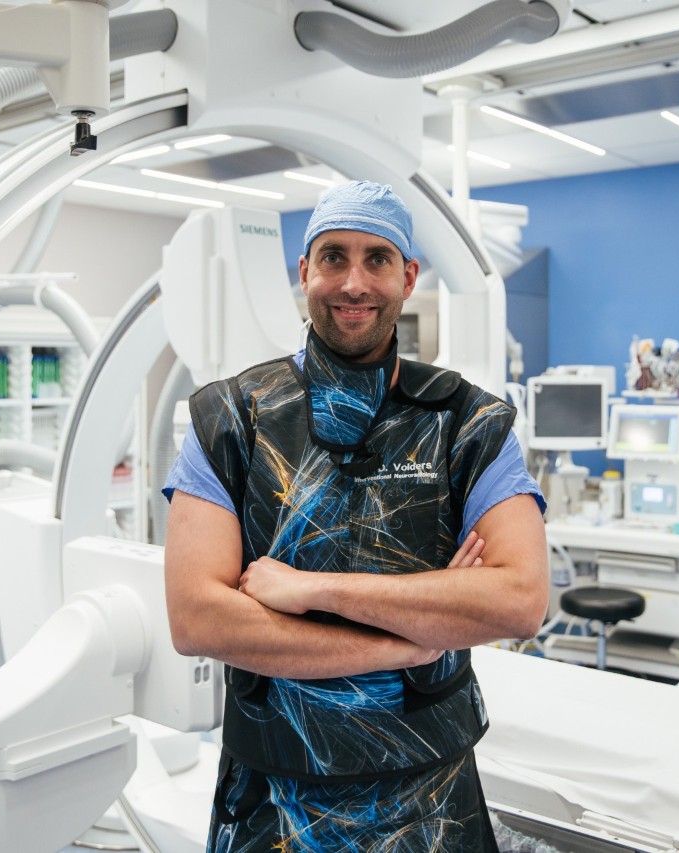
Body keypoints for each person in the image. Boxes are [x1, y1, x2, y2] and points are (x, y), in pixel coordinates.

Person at [163, 180, 549, 852]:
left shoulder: (467, 423)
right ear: (304, 271)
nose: (354, 282)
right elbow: (198, 618)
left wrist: (312, 590)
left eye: (377, 259)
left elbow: (518, 600)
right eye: (334, 257)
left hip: (430, 801)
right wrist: (410, 641)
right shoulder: (229, 419)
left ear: (408, 277)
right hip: (275, 802)